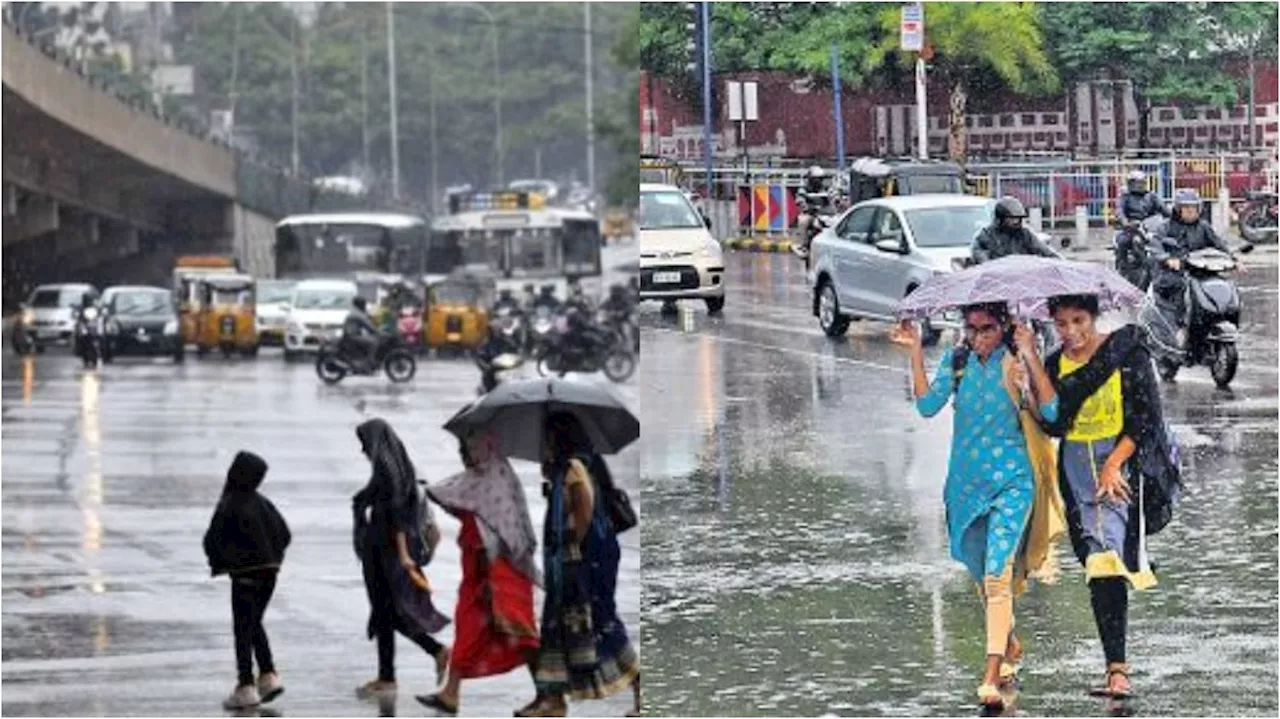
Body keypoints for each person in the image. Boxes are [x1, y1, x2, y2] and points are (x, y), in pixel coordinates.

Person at [891, 304, 1060, 710]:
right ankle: (1008, 642)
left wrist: (1030, 364)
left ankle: (991, 674)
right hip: (966, 485)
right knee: (981, 573)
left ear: (1004, 327)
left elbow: (1052, 413)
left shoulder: (1016, 360)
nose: (979, 336)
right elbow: (928, 406)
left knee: (997, 575)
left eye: (987, 328)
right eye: (972, 328)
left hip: (1012, 483)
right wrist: (915, 349)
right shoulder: (958, 359)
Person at [1028, 294, 1179, 700]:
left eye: (1079, 320)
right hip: (1076, 474)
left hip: (1120, 467)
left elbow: (1144, 417)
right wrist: (1028, 356)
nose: (1072, 332)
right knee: (1096, 561)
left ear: (1094, 316)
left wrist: (1114, 464)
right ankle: (1115, 663)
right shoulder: (1055, 364)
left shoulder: (1126, 351)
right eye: (1061, 324)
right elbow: (1052, 422)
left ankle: (1117, 670)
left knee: (1105, 561)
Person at [516, 412, 641, 718]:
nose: (543, 446)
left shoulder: (574, 467)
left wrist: (574, 554)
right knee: (558, 626)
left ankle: (642, 686)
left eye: (547, 440)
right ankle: (553, 700)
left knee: (601, 622)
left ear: (558, 439)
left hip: (584, 561)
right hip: (573, 560)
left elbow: (583, 513)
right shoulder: (568, 468)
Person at [415, 430, 542, 715]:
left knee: (521, 633)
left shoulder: (497, 479)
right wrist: (428, 490)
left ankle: (548, 695)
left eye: (467, 448)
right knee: (468, 628)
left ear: (482, 446)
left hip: (503, 573)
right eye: (461, 449)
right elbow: (458, 498)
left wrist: (493, 577)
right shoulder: (474, 479)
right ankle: (450, 694)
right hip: (476, 575)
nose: (463, 455)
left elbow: (508, 529)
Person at [352, 419, 451, 700]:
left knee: (387, 613)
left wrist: (405, 555)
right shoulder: (397, 465)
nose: (362, 450)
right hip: (382, 551)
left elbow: (397, 517)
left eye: (364, 443)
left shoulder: (387, 470)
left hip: (386, 553)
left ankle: (426, 656)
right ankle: (391, 674)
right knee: (386, 614)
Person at [202, 451, 291, 710]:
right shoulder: (263, 503)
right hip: (269, 574)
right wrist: (274, 558)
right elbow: (284, 534)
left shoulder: (229, 503)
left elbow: (212, 540)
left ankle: (245, 685)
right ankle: (268, 675)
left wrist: (225, 561)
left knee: (243, 629)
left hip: (245, 576)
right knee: (253, 623)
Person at [1150, 188, 1240, 327]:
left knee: (1223, 285)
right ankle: (1180, 325)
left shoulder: (1203, 226)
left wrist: (1233, 259)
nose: (1190, 210)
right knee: (1178, 286)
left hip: (1199, 269)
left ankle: (1223, 316)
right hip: (1174, 271)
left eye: (1193, 207)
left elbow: (1219, 243)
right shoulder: (1166, 227)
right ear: (1178, 209)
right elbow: (1155, 245)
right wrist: (1167, 258)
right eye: (1186, 207)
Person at [970, 197, 1060, 264]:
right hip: (997, 281)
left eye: (1018, 219)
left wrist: (1062, 264)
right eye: (1011, 219)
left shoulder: (1025, 234)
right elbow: (983, 261)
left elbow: (1045, 251)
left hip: (1023, 279)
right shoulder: (986, 236)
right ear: (1001, 218)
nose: (1015, 222)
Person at [343, 296, 381, 372]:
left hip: (353, 335)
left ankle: (364, 360)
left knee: (369, 338)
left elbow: (367, 319)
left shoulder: (356, 311)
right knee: (374, 342)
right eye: (364, 304)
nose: (365, 305)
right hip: (352, 336)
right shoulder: (357, 314)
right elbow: (368, 325)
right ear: (360, 304)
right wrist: (376, 331)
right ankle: (369, 363)